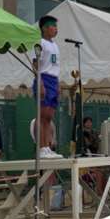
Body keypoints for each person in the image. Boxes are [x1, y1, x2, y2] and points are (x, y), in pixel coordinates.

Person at [32, 15, 63, 159]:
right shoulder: (40, 42)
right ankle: (41, 147)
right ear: (44, 28)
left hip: (53, 80)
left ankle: (47, 147)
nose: (56, 28)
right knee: (42, 115)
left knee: (49, 117)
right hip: (43, 78)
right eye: (53, 26)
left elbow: (55, 66)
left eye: (56, 26)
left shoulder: (55, 45)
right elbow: (35, 64)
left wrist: (58, 83)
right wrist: (40, 83)